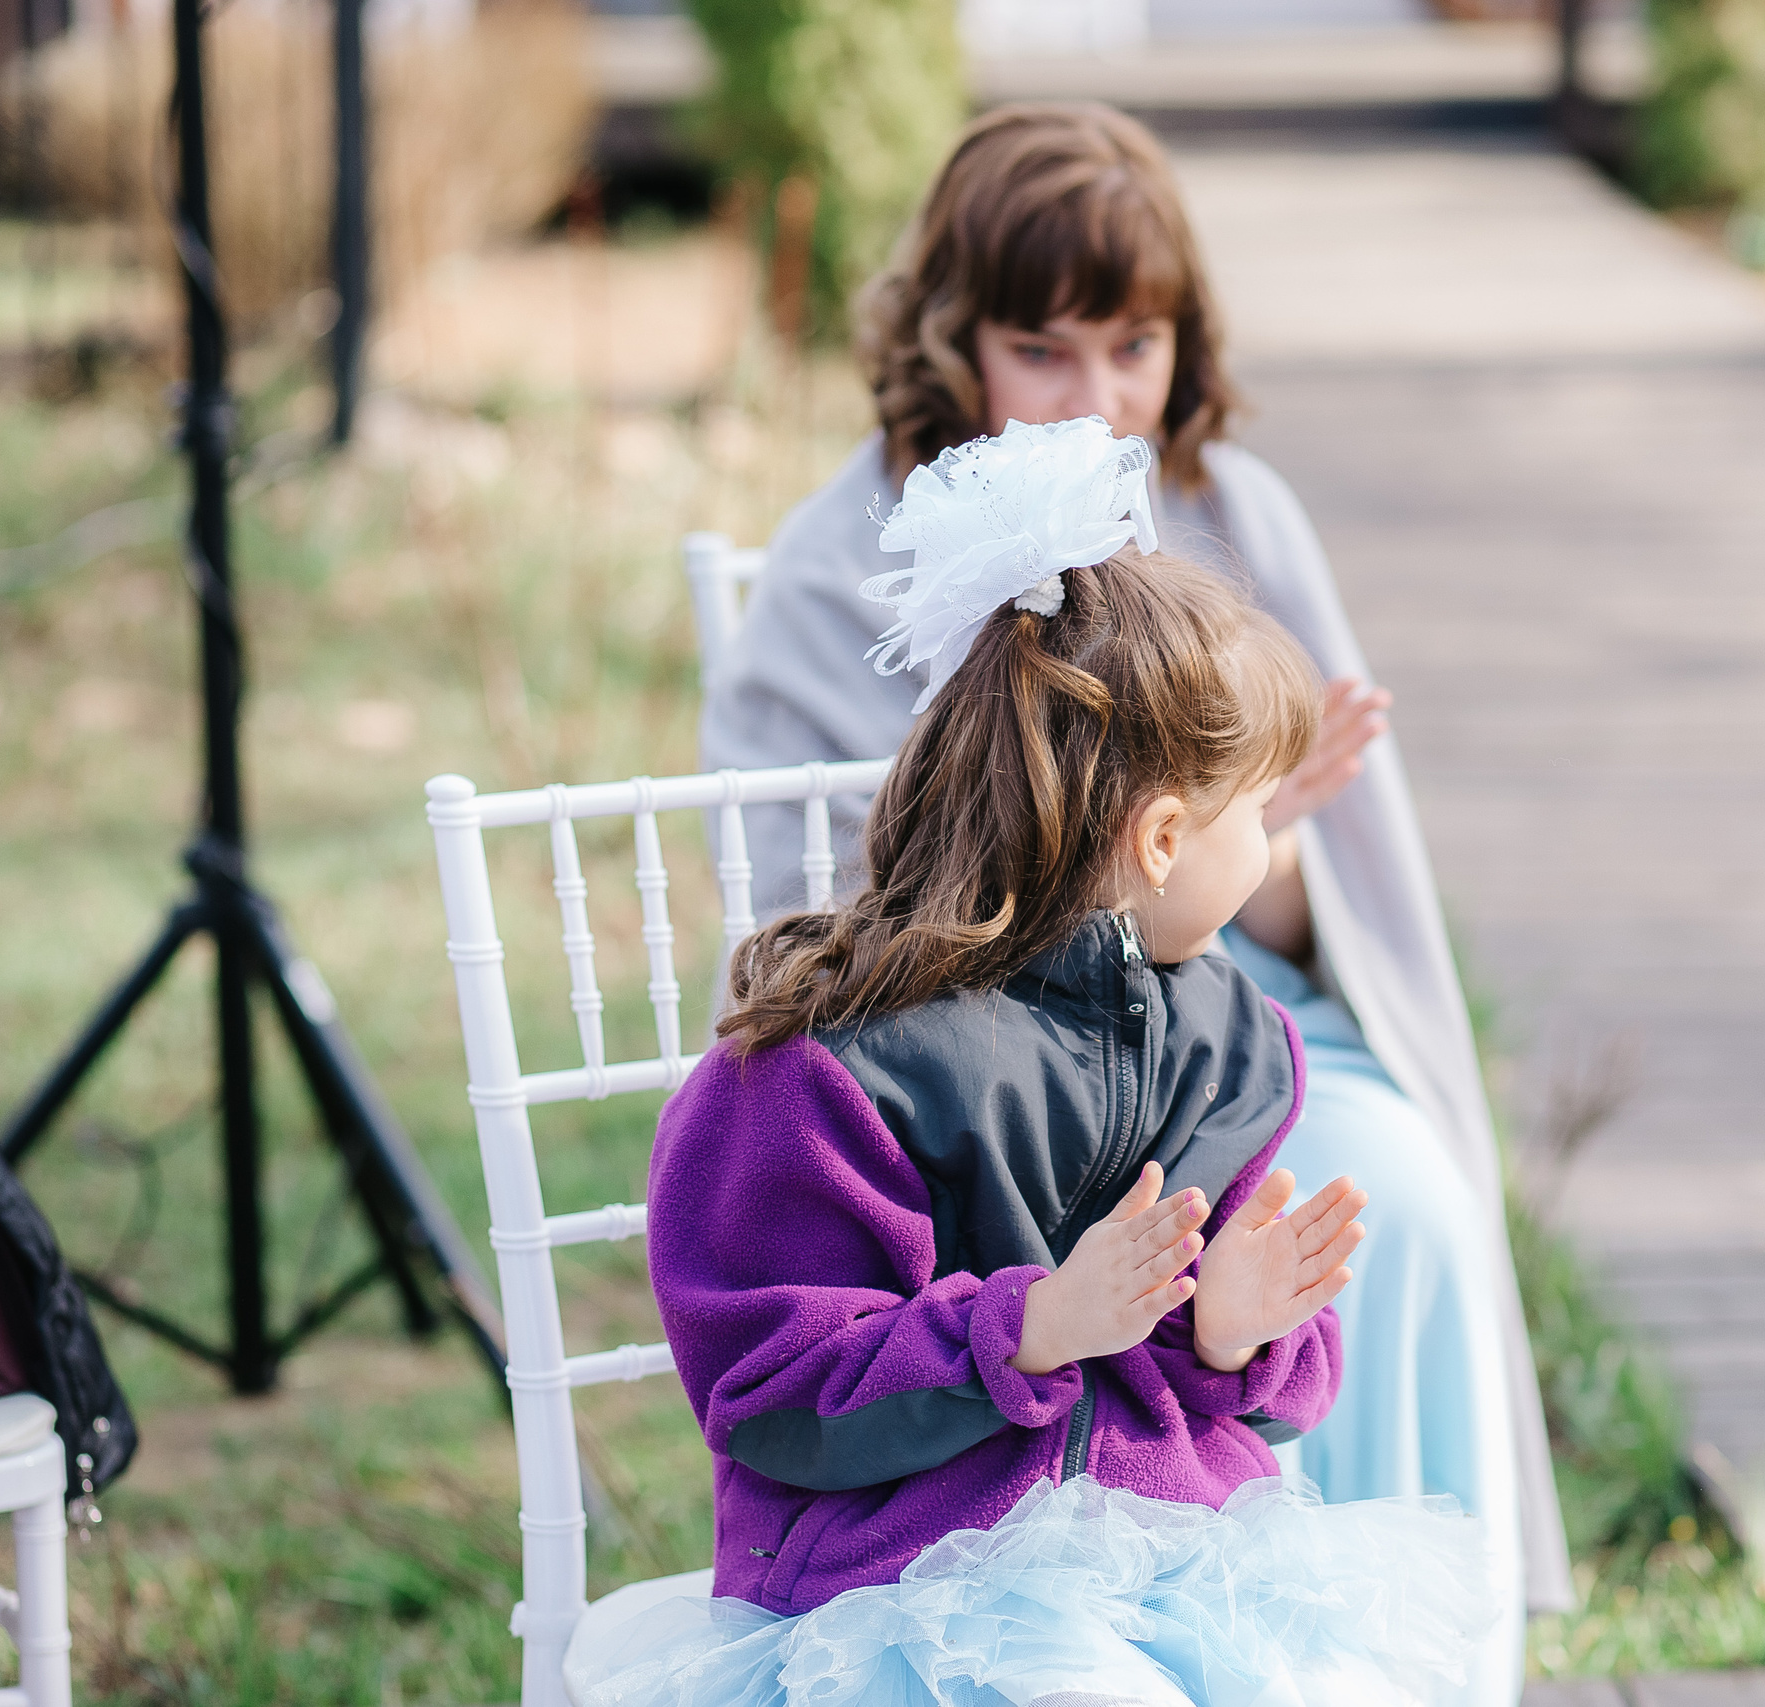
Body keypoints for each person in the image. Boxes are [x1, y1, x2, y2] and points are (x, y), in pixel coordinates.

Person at [700, 103, 1573, 1689]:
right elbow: (815, 930)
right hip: (973, 1065)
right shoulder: (854, 565)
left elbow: (1312, 932)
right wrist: (1073, 839)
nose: (1096, 402)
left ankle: (1433, 1652)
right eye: (1045, 349)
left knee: (1403, 1202)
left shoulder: (1230, 507)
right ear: (955, 344)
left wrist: (1274, 839)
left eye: (1136, 346)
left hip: (1229, 1015)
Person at [587, 419, 1496, 1705]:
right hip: (903, 1587)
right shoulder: (828, 1071)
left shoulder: (1228, 1047)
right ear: (1168, 836)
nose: (1268, 842)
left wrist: (1229, 1333)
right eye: (1259, 811)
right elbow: (772, 1392)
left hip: (1171, 1554)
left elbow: (1249, 1404)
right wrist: (1027, 1328)